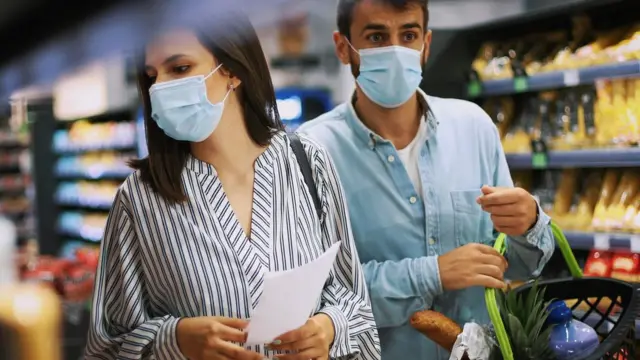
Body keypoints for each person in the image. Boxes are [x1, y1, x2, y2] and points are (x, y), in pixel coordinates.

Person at [85, 11, 380, 360]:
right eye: (152, 76)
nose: (159, 87)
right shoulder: (139, 200)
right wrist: (174, 340)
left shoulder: (307, 162)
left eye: (179, 69)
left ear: (232, 69)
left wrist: (329, 328)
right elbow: (105, 346)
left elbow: (354, 299)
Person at [297, 0, 555, 359]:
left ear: (426, 44)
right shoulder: (309, 151)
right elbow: (317, 295)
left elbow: (518, 265)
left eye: (408, 34)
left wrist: (528, 226)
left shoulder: (473, 127)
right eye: (376, 36)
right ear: (344, 47)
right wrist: (432, 274)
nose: (396, 49)